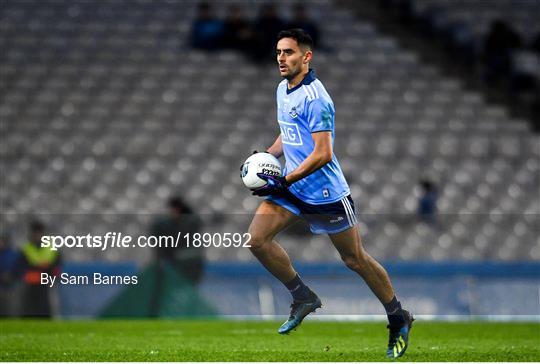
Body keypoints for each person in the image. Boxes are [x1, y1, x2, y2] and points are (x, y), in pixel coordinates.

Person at [244, 29, 413, 359]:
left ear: (306, 57)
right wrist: (265, 157)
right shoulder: (283, 89)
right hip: (292, 189)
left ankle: (398, 316)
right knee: (256, 240)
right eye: (279, 51)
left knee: (354, 260)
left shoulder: (317, 99)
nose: (281, 58)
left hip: (325, 194)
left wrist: (286, 178)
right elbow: (288, 131)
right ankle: (302, 295)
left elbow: (322, 153)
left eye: (289, 52)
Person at [148, 196, 204, 316]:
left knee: (185, 292)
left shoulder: (187, 223)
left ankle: (185, 312)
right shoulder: (187, 221)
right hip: (184, 266)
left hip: (188, 266)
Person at [17, 220, 61, 317]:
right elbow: (21, 265)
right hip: (31, 281)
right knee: (30, 305)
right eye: (35, 233)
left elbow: (57, 263)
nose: (37, 235)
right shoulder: (27, 248)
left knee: (46, 305)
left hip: (46, 281)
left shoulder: (50, 248)